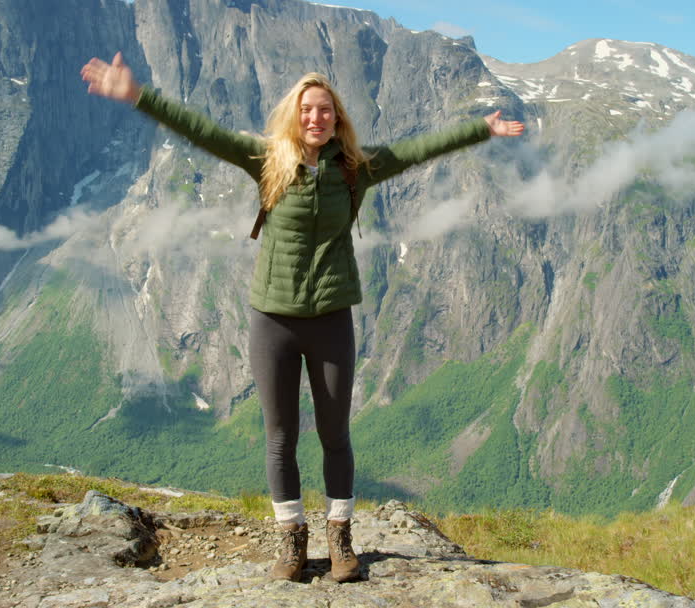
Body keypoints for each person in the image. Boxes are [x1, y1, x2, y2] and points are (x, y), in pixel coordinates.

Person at [81, 52, 523, 582]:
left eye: (325, 110)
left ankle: (340, 540)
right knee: (280, 437)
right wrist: (137, 95)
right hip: (273, 320)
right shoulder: (268, 160)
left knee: (335, 435)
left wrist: (482, 129)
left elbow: (417, 150)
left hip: (331, 317)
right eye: (307, 109)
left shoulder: (354, 167)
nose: (316, 118)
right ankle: (291, 542)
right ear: (295, 115)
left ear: (337, 119)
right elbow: (202, 131)